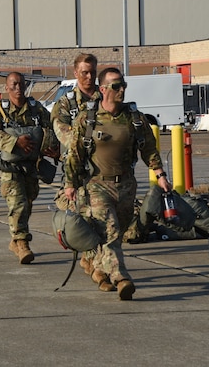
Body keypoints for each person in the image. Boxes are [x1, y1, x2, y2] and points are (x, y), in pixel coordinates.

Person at [64, 67, 172, 300]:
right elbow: (75, 154)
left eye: (123, 85)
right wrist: (70, 183)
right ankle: (121, 278)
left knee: (117, 232)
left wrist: (161, 175)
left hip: (126, 185)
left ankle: (98, 268)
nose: (121, 89)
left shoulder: (134, 118)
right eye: (115, 86)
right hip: (97, 184)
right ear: (103, 89)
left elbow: (149, 149)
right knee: (111, 230)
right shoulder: (87, 118)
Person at [0, 72, 58, 264]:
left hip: (32, 167)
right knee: (18, 205)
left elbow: (52, 126)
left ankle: (15, 241)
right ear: (7, 88)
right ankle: (22, 242)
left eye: (21, 85)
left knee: (28, 203)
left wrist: (53, 147)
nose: (18, 88)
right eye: (14, 85)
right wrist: (14, 141)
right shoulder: (0, 109)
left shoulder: (36, 109)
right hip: (11, 168)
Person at [51, 53, 102, 275]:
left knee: (102, 217)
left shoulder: (106, 99)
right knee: (82, 215)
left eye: (92, 72)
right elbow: (63, 133)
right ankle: (91, 260)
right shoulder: (64, 104)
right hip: (76, 170)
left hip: (103, 169)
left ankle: (94, 260)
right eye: (84, 73)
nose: (89, 77)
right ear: (75, 73)